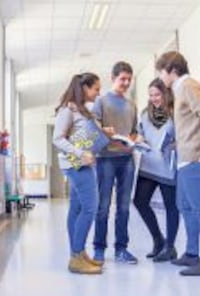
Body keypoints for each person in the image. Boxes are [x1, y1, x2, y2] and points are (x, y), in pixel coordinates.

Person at [156, 51, 200, 276]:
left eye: (161, 72)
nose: (161, 77)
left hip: (196, 159)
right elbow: (191, 123)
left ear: (172, 70)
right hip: (184, 160)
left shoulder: (188, 85)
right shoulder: (179, 89)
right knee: (184, 206)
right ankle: (192, 254)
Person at [53, 73, 104, 274]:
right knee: (90, 208)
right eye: (96, 89)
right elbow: (57, 139)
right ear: (84, 88)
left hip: (82, 163)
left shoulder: (81, 110)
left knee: (76, 207)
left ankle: (79, 253)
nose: (98, 93)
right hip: (77, 164)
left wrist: (103, 132)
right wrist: (81, 153)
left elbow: (80, 135)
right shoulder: (68, 109)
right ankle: (76, 257)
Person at [92, 61, 138, 264]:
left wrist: (134, 140)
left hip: (127, 159)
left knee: (124, 207)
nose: (126, 83)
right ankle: (99, 249)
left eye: (129, 79)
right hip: (105, 159)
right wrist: (108, 136)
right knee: (102, 206)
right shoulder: (101, 101)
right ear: (113, 78)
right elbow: (93, 128)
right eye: (122, 79)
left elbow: (135, 131)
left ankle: (121, 249)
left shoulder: (132, 105)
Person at [133, 78, 180, 263]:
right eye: (151, 95)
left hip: (168, 166)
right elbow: (140, 133)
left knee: (171, 207)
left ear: (166, 94)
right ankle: (158, 240)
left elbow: (184, 135)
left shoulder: (175, 113)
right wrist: (138, 139)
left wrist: (177, 144)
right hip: (148, 165)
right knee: (139, 201)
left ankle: (170, 247)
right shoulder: (145, 114)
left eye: (157, 94)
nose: (154, 98)